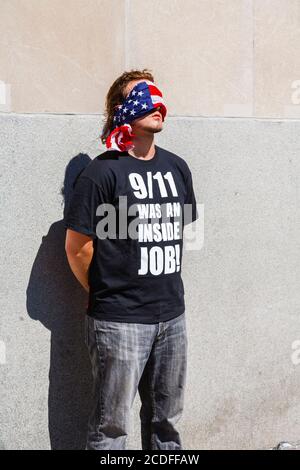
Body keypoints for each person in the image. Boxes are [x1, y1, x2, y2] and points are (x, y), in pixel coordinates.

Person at [64, 69, 199, 450]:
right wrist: (111, 293)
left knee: (166, 425)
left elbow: (179, 230)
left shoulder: (177, 167)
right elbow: (78, 248)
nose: (155, 100)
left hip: (172, 316)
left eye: (157, 92)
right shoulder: (101, 173)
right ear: (121, 109)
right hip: (119, 321)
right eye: (142, 93)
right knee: (111, 431)